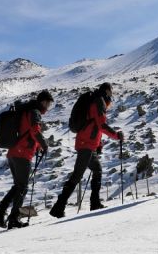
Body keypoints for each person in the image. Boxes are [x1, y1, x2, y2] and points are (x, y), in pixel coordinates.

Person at [50, 84, 122, 218]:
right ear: (107, 91)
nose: (112, 95)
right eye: (111, 92)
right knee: (77, 175)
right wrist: (116, 135)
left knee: (97, 169)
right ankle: (58, 207)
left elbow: (94, 125)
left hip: (88, 143)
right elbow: (101, 124)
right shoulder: (99, 101)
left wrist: (98, 144)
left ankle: (95, 203)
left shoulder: (97, 100)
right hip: (86, 144)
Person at [0, 91, 53, 230]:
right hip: (22, 155)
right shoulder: (35, 112)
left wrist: (38, 146)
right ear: (43, 102)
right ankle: (14, 219)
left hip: (14, 153)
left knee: (17, 187)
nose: (48, 106)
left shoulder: (26, 111)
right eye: (48, 103)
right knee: (22, 187)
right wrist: (44, 145)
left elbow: (27, 132)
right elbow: (35, 130)